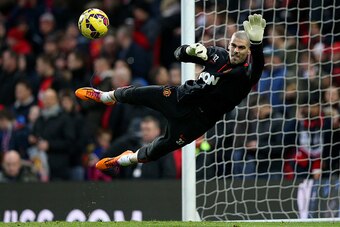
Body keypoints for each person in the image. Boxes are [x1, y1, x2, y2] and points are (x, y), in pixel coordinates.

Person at [75, 14, 266, 171]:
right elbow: (177, 55)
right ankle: (104, 96)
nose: (236, 50)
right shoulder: (218, 55)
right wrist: (189, 50)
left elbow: (258, 66)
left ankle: (124, 160)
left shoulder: (246, 76)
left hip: (197, 122)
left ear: (248, 51)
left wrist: (257, 45)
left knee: (156, 151)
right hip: (179, 97)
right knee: (138, 93)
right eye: (233, 45)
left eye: (242, 48)